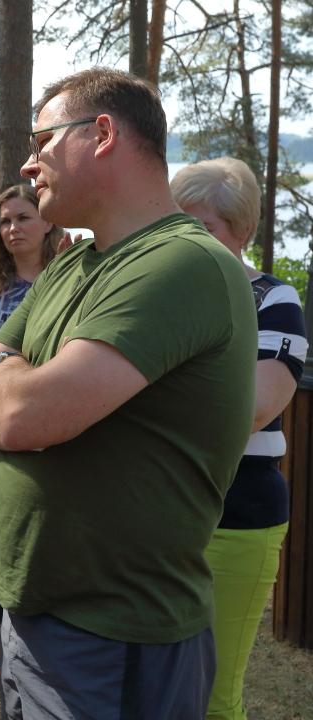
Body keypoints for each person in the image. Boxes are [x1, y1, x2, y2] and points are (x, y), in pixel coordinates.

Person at [0, 67, 258, 719]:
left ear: (101, 134)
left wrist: (7, 377)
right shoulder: (71, 262)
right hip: (34, 616)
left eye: (42, 142)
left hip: (115, 636)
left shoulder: (183, 263)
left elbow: (20, 415)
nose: (28, 164)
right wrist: (7, 377)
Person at [171, 157, 307, 720]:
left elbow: (256, 406)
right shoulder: (160, 296)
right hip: (155, 509)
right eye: (177, 223)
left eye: (203, 227)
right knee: (153, 685)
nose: (187, 240)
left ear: (243, 229)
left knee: (212, 694)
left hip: (238, 509)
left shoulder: (273, 299)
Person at [0, 183, 61, 690]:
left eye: (23, 218)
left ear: (47, 222)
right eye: (4, 221)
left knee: (47, 522)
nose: (12, 229)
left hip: (53, 421)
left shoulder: (68, 278)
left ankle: (39, 628)